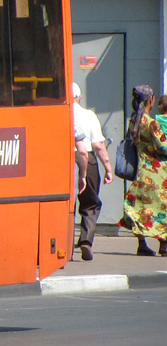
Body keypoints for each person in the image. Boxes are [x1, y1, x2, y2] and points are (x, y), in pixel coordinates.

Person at [119, 84, 167, 256]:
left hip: (141, 171)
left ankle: (142, 244)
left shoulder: (134, 121)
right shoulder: (152, 123)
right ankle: (164, 245)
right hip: (158, 172)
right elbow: (163, 146)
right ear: (151, 100)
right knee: (162, 207)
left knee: (139, 207)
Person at [71, 82, 114, 260]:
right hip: (86, 159)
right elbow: (98, 145)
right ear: (79, 98)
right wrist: (108, 168)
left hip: (63, 157)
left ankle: (64, 242)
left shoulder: (60, 113)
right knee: (90, 202)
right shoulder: (88, 115)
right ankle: (86, 241)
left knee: (66, 204)